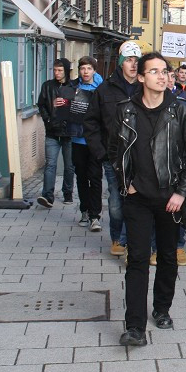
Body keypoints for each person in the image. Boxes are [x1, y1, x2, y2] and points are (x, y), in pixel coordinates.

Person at [109, 52, 186, 346]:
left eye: (165, 71)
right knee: (136, 260)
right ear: (141, 77)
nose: (162, 76)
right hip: (137, 199)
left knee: (167, 256)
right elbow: (115, 152)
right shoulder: (125, 110)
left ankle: (162, 309)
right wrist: (127, 183)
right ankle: (134, 326)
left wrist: (181, 192)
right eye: (154, 71)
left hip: (170, 199)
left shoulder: (181, 110)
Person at [84, 42, 144, 259]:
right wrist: (101, 153)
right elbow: (91, 123)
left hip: (140, 156)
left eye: (137, 61)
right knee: (117, 201)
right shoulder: (105, 89)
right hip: (113, 155)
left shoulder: (145, 87)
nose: (133, 65)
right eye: (129, 60)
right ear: (120, 63)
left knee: (136, 199)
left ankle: (130, 241)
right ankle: (117, 237)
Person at [69, 57, 104, 231]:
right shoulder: (73, 87)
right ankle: (84, 210)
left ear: (94, 70)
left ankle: (95, 215)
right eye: (83, 68)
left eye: (89, 68)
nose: (85, 72)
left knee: (95, 177)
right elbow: (64, 110)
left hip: (96, 140)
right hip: (78, 138)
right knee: (81, 177)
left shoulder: (102, 88)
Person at [37, 58, 75, 208]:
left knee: (69, 166)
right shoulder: (47, 86)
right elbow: (41, 104)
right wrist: (47, 119)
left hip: (69, 131)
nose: (57, 73)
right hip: (52, 131)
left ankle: (68, 193)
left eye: (60, 70)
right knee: (50, 164)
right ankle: (47, 196)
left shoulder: (73, 86)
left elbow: (79, 106)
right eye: (55, 70)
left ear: (66, 70)